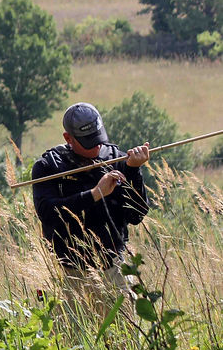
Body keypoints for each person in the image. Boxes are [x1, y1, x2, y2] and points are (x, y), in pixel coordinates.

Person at [31, 102, 150, 315]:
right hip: (68, 272)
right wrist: (95, 194)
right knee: (72, 344)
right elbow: (47, 212)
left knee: (126, 342)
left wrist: (133, 171)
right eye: (88, 142)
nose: (96, 146)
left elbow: (137, 214)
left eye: (98, 138)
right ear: (68, 138)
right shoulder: (48, 166)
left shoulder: (117, 159)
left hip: (113, 268)